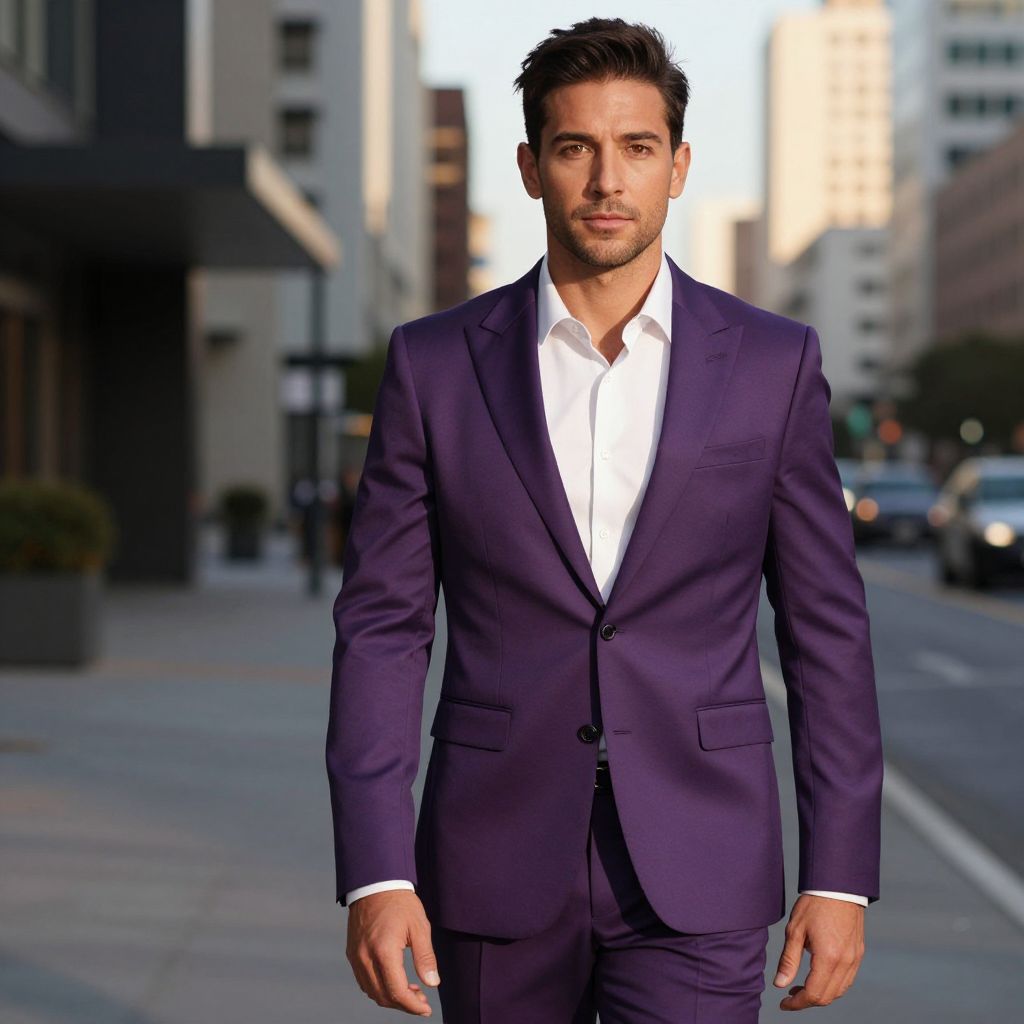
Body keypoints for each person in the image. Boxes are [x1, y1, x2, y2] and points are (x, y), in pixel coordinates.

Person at [326, 16, 883, 1022]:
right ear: (531, 166)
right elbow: (382, 630)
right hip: (491, 855)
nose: (606, 181)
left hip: (701, 862)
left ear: (677, 165)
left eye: (635, 148)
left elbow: (825, 632)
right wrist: (375, 869)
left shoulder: (772, 363)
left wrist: (839, 872)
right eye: (576, 148)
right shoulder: (434, 364)